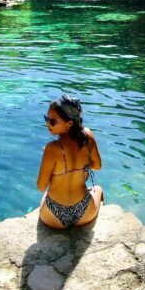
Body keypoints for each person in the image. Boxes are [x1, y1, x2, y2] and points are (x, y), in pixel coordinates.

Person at [36, 95, 103, 229]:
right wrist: (80, 164)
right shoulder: (87, 135)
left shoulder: (52, 148)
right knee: (98, 189)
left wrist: (51, 159)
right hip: (85, 212)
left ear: (69, 123)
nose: (47, 124)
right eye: (47, 119)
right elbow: (97, 166)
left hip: (53, 216)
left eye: (52, 121)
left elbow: (41, 187)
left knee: (44, 197)